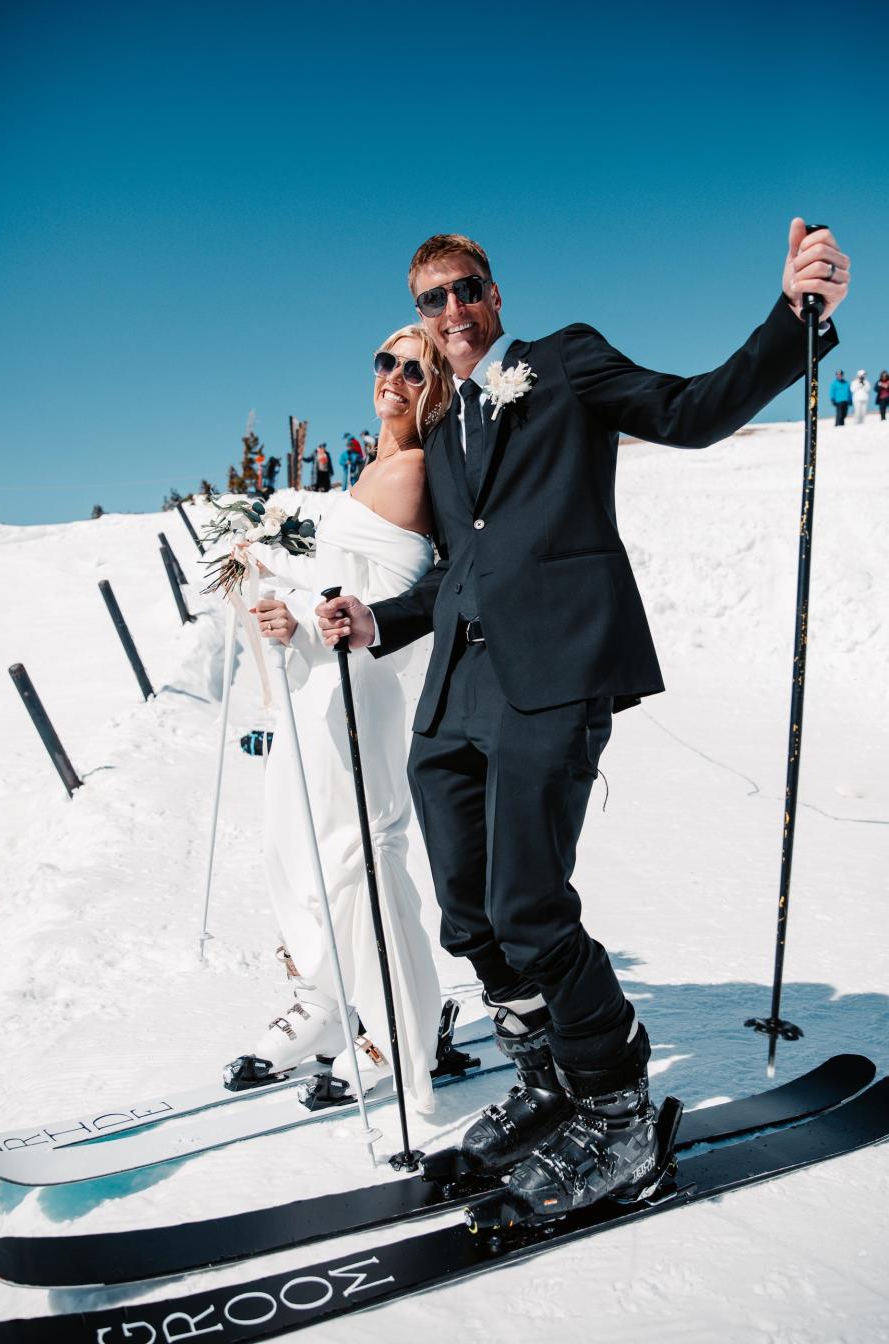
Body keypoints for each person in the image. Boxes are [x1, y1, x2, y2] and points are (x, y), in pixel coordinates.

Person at [317, 220, 849, 1218]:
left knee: (528, 905)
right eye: (431, 300)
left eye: (464, 289)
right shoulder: (443, 431)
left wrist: (793, 316)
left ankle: (614, 1113)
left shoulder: (563, 361)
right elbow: (458, 575)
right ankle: (548, 1076)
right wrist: (372, 621)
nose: (450, 313)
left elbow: (689, 411)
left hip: (555, 672)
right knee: (467, 916)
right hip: (455, 696)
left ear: (495, 294)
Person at [237, 324, 454, 1110]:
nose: (394, 375)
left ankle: (403, 1031)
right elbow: (331, 574)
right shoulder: (376, 466)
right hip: (315, 683)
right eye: (384, 360)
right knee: (291, 846)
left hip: (359, 686)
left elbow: (370, 584)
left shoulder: (413, 472)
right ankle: (327, 1002)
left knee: (355, 859)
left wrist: (271, 557)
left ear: (439, 386)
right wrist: (288, 614)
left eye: (415, 368)